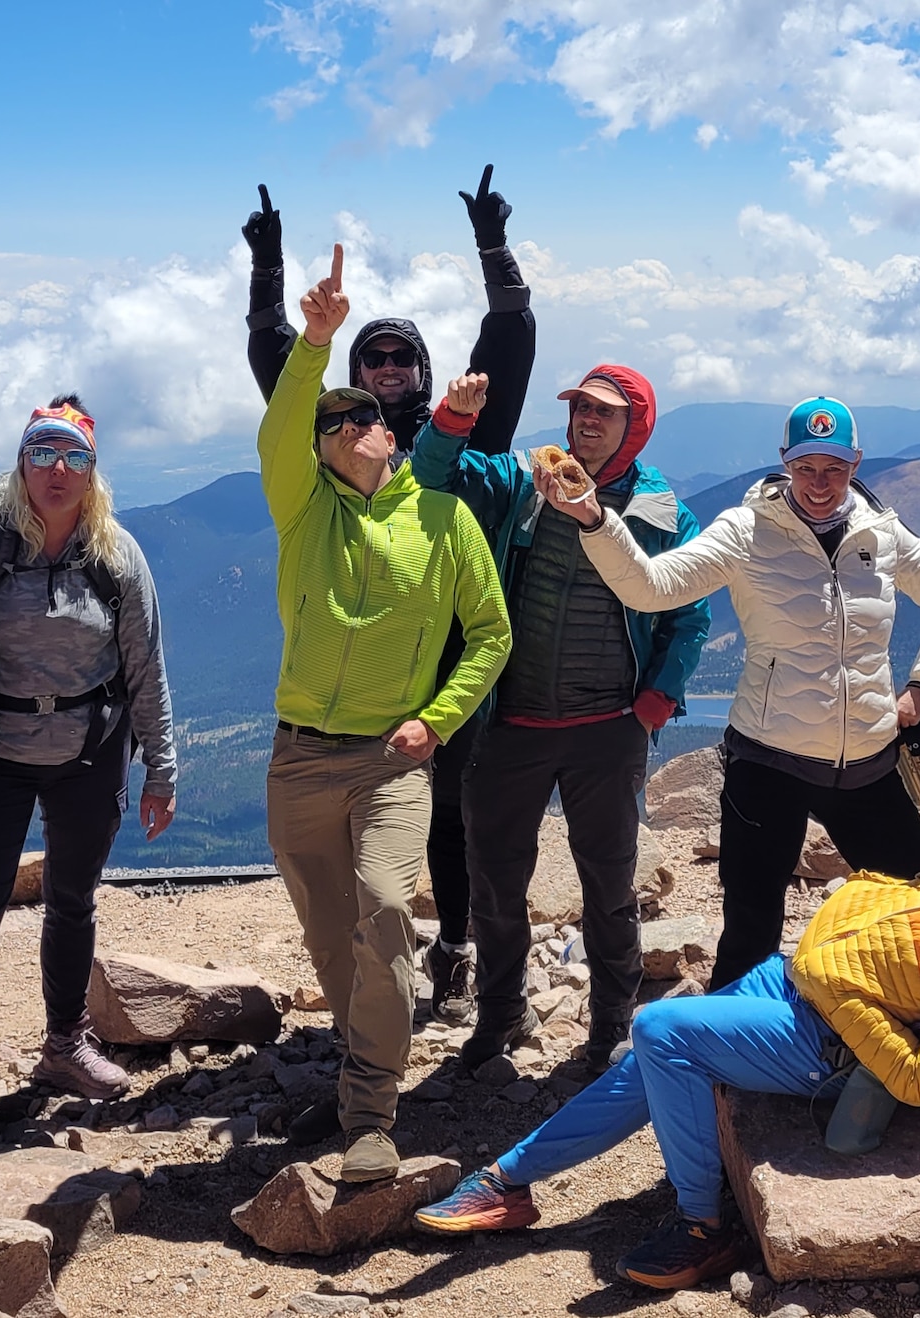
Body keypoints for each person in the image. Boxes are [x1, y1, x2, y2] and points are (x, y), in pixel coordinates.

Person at [415, 856, 920, 1289]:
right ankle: (510, 1182)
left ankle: (703, 1227)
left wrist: (837, 991)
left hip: (827, 1036)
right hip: (805, 976)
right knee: (657, 1059)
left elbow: (916, 1077)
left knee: (662, 1030)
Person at [541, 397, 920, 988]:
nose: (819, 484)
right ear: (783, 463)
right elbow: (650, 586)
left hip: (869, 765)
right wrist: (596, 520)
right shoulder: (746, 530)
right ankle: (727, 1062)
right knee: (751, 927)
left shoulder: (883, 533)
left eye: (833, 468)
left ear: (855, 462)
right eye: (805, 468)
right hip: (767, 763)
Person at [245, 169, 537, 1024]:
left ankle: (458, 950)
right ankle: (390, 969)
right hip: (371, 662)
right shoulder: (338, 437)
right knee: (387, 820)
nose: (384, 370)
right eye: (370, 359)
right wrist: (270, 271)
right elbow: (278, 370)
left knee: (456, 810)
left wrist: (494, 246)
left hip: (455, 659)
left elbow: (511, 339)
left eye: (399, 356)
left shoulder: (470, 415)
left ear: (425, 367)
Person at [258, 244, 512, 1180]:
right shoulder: (303, 511)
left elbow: (490, 634)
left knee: (382, 912)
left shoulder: (444, 522)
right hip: (299, 758)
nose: (352, 422)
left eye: (366, 414)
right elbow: (279, 430)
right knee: (332, 939)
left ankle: (370, 1111)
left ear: (391, 436)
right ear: (322, 449)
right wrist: (311, 348)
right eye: (336, 421)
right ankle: (354, 1075)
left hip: (393, 759)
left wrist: (437, 721)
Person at [412, 365, 712, 1073]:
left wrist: (653, 705)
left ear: (634, 426)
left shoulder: (664, 514)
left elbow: (690, 614)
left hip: (607, 727)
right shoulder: (523, 482)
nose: (586, 419)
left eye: (605, 413)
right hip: (511, 723)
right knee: (494, 882)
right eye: (580, 407)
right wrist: (453, 417)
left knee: (609, 884)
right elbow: (432, 475)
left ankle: (611, 1021)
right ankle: (500, 1015)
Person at [0, 395, 179, 1163]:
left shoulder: (116, 554)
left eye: (75, 458)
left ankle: (65, 1042)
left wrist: (161, 768)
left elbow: (146, 666)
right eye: (43, 454)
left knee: (72, 899)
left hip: (91, 750)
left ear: (95, 472)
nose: (58, 471)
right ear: (21, 463)